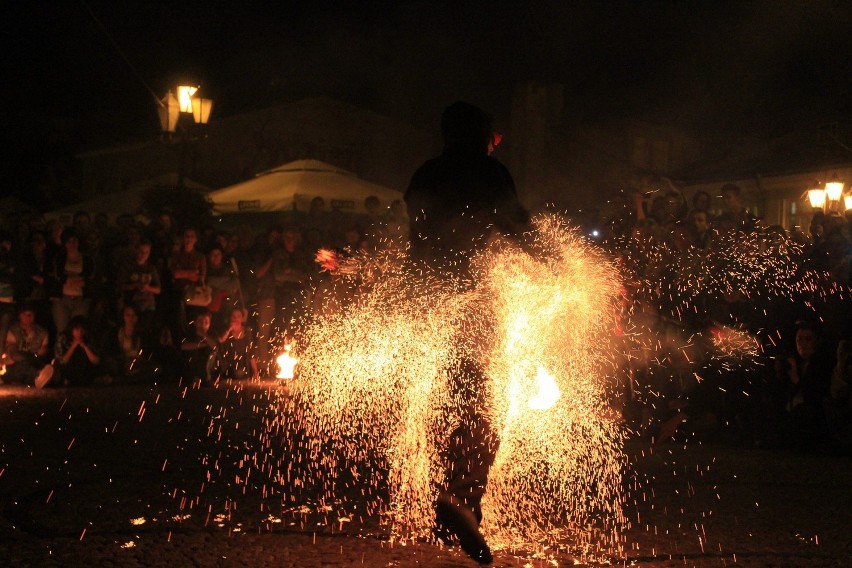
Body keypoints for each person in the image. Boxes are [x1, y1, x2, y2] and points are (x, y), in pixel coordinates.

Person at [404, 101, 531, 565]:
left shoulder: (426, 173)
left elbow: (416, 235)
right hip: (475, 303)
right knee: (486, 406)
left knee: (445, 402)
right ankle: (460, 497)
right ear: (481, 135)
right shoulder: (488, 172)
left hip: (428, 303)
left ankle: (449, 506)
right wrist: (560, 263)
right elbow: (517, 225)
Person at [2, 303, 53, 388]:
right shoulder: (13, 330)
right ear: (19, 316)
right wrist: (30, 358)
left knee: (34, 366)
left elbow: (42, 352)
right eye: (24, 314)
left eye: (30, 315)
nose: (28, 317)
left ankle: (40, 377)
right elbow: (13, 353)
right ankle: (39, 374)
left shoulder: (42, 332)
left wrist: (38, 354)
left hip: (33, 364)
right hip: (14, 368)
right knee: (22, 366)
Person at [55, 316, 101, 386]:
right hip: (67, 369)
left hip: (86, 370)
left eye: (82, 329)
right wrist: (73, 346)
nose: (80, 332)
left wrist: (85, 347)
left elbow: (96, 361)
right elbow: (62, 361)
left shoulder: (89, 338)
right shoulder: (63, 338)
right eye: (77, 329)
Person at [214, 307, 258, 381]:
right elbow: (221, 340)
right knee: (236, 373)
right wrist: (229, 330)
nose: (236, 319)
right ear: (230, 318)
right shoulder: (226, 331)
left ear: (242, 318)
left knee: (240, 373)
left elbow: (251, 353)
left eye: (238, 316)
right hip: (228, 366)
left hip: (243, 366)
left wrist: (255, 371)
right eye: (233, 317)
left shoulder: (247, 332)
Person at [180, 307, 217, 386]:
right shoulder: (190, 334)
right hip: (190, 370)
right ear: (195, 322)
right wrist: (201, 345)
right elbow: (183, 346)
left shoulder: (211, 335)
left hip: (206, 371)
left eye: (206, 322)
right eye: (200, 321)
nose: (203, 325)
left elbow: (215, 347)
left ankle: (207, 378)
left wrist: (203, 334)